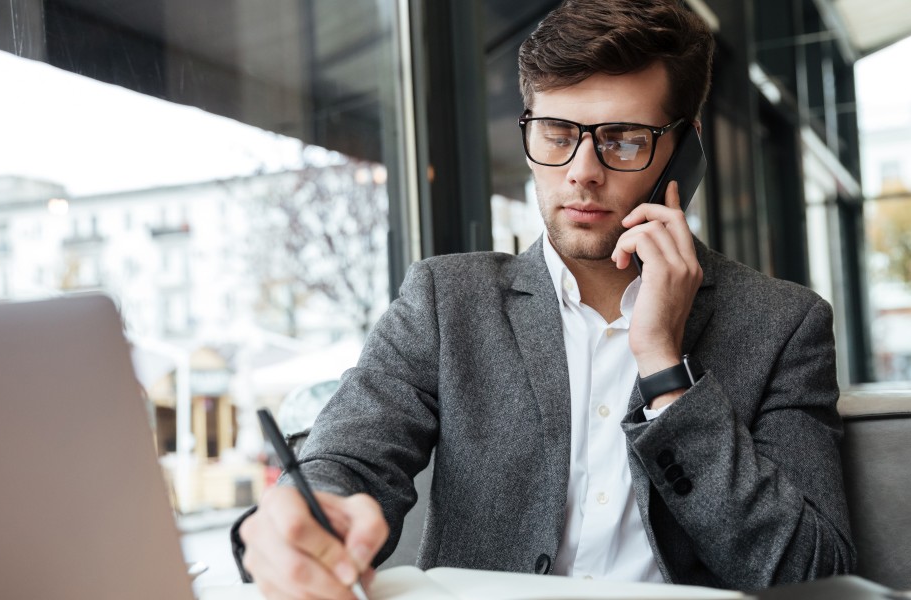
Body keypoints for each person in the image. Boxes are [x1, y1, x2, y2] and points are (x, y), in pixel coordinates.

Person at [237, 0, 855, 597]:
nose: (582, 170)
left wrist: (667, 372)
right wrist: (298, 518)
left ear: (684, 153)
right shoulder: (446, 301)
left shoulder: (783, 324)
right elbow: (350, 463)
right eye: (558, 133)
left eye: (623, 138)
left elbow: (812, 572)